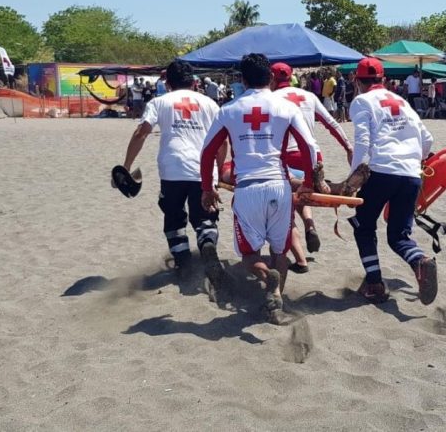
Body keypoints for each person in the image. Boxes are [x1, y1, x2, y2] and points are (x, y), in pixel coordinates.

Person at [200, 54, 320, 323]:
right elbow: (309, 147)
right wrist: (310, 182)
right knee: (280, 251)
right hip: (279, 186)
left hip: (247, 189)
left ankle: (267, 279)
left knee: (249, 255)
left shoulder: (228, 110)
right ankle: (276, 299)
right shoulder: (287, 107)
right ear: (270, 78)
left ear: (242, 80)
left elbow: (207, 153)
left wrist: (207, 188)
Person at [120, 60, 226, 290]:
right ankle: (207, 243)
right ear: (194, 82)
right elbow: (222, 142)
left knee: (174, 215)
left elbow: (141, 133)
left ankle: (183, 263)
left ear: (167, 83)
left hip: (172, 168)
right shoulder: (210, 104)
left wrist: (127, 166)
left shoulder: (159, 102)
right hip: (203, 170)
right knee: (205, 215)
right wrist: (219, 168)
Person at [346, 57, 437, 305]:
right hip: (410, 173)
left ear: (357, 80)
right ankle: (420, 262)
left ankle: (374, 283)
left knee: (363, 226)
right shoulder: (401, 101)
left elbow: (363, 142)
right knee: (399, 235)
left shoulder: (361, 101)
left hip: (381, 171)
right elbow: (427, 140)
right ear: (383, 79)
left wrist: (352, 180)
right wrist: (412, 161)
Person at [270, 62, 353, 259]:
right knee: (304, 190)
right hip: (312, 156)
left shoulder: (270, 99)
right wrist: (348, 146)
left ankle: (299, 258)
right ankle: (310, 222)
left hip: (284, 156)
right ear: (291, 78)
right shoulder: (309, 96)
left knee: (286, 205)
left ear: (272, 78)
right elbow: (331, 123)